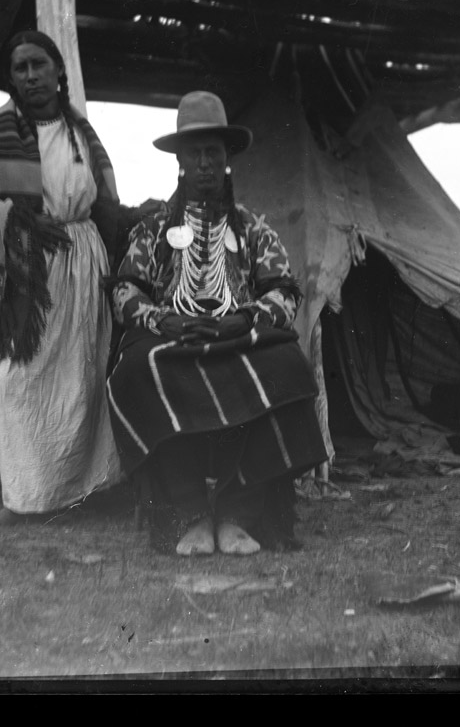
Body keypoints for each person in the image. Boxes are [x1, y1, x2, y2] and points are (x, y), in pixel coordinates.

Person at [106, 91, 330, 556]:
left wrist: (245, 320)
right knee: (136, 371)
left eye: (213, 152)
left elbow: (285, 292)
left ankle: (239, 513)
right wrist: (160, 320)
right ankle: (187, 512)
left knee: (286, 366)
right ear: (180, 161)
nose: (205, 163)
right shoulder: (153, 231)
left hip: (238, 339)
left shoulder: (252, 228)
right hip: (173, 340)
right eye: (195, 153)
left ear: (227, 159)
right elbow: (124, 290)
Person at [0, 29, 154, 527]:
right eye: (19, 68)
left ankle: (90, 489)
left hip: (84, 265)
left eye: (38, 64)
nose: (30, 75)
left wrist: (136, 218)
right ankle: (24, 497)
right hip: (25, 269)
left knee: (84, 375)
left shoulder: (81, 134)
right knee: (17, 378)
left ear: (58, 71)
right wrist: (13, 221)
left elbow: (104, 206)